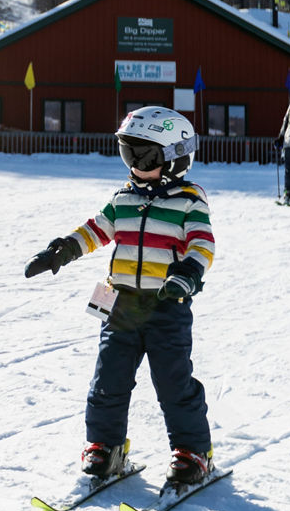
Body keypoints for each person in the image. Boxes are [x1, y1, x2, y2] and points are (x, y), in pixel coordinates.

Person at [24, 107, 216, 485]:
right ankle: (104, 446)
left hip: (167, 305)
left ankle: (193, 451)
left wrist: (188, 274)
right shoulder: (124, 197)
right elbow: (96, 229)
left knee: (174, 383)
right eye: (128, 154)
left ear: (174, 157)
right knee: (108, 380)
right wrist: (62, 250)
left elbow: (202, 244)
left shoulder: (190, 200)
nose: (134, 166)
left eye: (143, 156)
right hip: (121, 306)